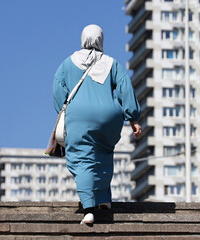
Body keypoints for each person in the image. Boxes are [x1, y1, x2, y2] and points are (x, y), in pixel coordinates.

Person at [52, 24, 142, 224]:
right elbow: (125, 86)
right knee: (103, 153)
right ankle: (103, 199)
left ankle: (89, 210)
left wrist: (64, 111)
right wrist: (133, 118)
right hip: (109, 117)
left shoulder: (68, 63)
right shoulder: (111, 63)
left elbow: (58, 89)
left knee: (82, 160)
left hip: (79, 117)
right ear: (101, 40)